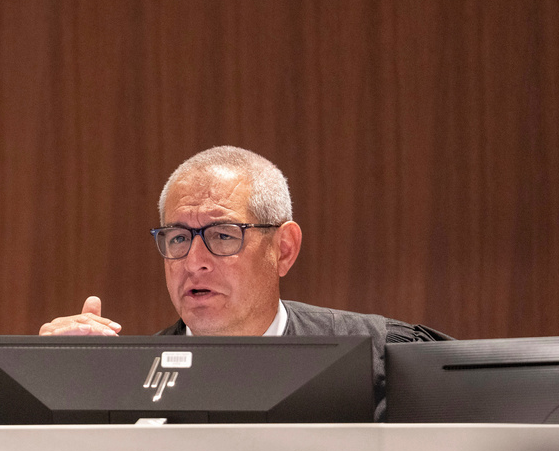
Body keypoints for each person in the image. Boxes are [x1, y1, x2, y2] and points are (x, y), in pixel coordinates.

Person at [39, 145, 450, 419]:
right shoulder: (129, 383)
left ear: (283, 249)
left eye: (222, 235)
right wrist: (60, 386)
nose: (194, 263)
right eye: (179, 238)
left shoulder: (378, 359)